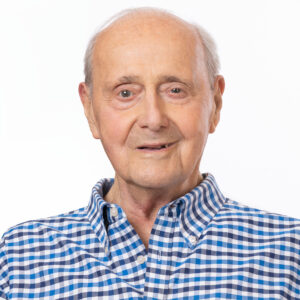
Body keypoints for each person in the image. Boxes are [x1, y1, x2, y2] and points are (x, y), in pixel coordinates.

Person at [1, 7, 299, 299]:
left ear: (215, 104)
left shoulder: (291, 254)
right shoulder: (17, 260)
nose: (153, 119)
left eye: (175, 90)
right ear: (90, 109)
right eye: (126, 93)